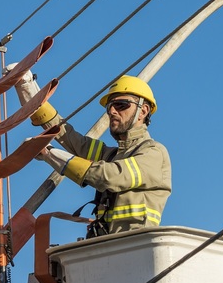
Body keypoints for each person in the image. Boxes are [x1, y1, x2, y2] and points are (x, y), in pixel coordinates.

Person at [13, 72, 171, 236]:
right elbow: (71, 138)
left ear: (143, 111)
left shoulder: (153, 153)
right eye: (110, 106)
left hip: (134, 245)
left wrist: (49, 154)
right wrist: (27, 89)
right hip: (104, 247)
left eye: (121, 105)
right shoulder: (111, 155)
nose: (112, 111)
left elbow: (109, 176)